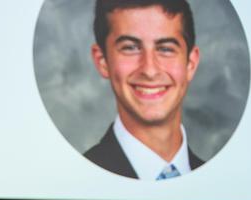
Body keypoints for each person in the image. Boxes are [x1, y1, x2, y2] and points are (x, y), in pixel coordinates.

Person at [85, 0, 203, 180]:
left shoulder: (224, 182)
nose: (149, 70)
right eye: (130, 48)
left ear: (191, 64)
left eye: (165, 49)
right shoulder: (76, 180)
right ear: (102, 61)